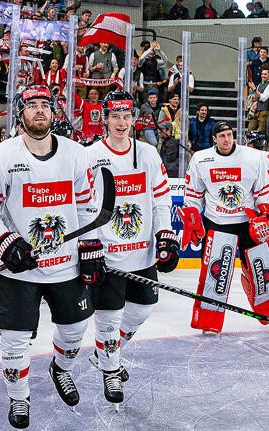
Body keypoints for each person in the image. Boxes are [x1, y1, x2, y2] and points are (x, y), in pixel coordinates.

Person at [0, 85, 105, 431]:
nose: (40, 111)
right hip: (19, 270)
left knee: (75, 331)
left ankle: (61, 368)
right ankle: (19, 395)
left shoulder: (77, 155)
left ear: (54, 112)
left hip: (66, 266)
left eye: (46, 104)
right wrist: (6, 242)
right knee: (14, 341)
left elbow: (90, 208)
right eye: (32, 105)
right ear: (20, 113)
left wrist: (90, 249)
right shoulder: (0, 156)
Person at [85, 90, 177, 408]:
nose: (122, 122)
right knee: (108, 318)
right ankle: (110, 368)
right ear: (105, 119)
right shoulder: (92, 156)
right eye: (116, 116)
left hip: (142, 253)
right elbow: (85, 206)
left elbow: (162, 198)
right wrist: (90, 245)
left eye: (127, 116)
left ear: (134, 119)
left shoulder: (149, 154)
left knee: (142, 308)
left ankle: (106, 351)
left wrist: (164, 235)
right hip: (108, 255)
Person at [180, 122, 269, 334]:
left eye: (229, 135)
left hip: (248, 223)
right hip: (217, 223)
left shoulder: (254, 157)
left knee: (262, 268)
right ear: (214, 139)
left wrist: (266, 214)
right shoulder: (201, 159)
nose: (227, 139)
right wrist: (192, 218)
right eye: (222, 136)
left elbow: (265, 190)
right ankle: (209, 320)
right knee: (215, 276)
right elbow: (193, 194)